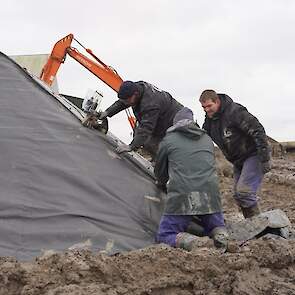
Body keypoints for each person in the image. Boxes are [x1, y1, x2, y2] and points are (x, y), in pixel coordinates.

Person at [154, 107, 228, 251]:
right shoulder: (206, 139)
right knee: (215, 226)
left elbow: (160, 171)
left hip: (182, 195)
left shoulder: (169, 139)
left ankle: (194, 243)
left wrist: (161, 183)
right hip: (210, 195)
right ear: (193, 122)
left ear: (175, 123)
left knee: (165, 234)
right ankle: (222, 238)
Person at [199, 90, 271, 218]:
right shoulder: (210, 120)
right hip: (238, 161)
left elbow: (258, 130)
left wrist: (265, 158)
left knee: (245, 192)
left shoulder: (235, 112)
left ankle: (259, 225)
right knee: (238, 196)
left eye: (209, 106)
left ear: (217, 101)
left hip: (253, 155)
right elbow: (202, 136)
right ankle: (252, 225)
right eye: (204, 107)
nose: (206, 110)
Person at [96, 80, 183, 158]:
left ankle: (163, 169)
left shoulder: (150, 104)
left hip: (175, 123)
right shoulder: (136, 89)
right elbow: (122, 103)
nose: (126, 103)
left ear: (136, 94)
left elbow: (146, 128)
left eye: (127, 100)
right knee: (144, 139)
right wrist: (107, 113)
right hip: (164, 118)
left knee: (152, 144)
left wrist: (131, 146)